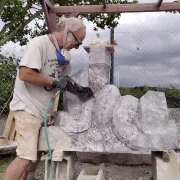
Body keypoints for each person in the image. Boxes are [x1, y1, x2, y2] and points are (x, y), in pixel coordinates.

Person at [5, 16, 86, 180]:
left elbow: (64, 81)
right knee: (25, 156)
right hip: (27, 106)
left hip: (42, 110)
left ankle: (30, 177)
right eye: (78, 42)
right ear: (68, 32)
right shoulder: (39, 44)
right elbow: (25, 74)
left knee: (39, 148)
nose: (77, 47)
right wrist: (54, 81)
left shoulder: (64, 55)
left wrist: (79, 89)